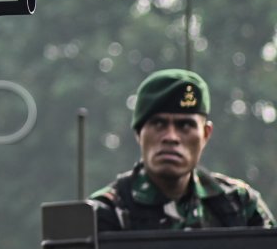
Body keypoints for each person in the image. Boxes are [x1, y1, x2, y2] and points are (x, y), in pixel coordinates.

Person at [90, 68, 274, 231]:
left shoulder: (238, 204)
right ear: (139, 132)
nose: (171, 137)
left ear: (205, 134)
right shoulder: (105, 211)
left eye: (185, 126)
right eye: (159, 124)